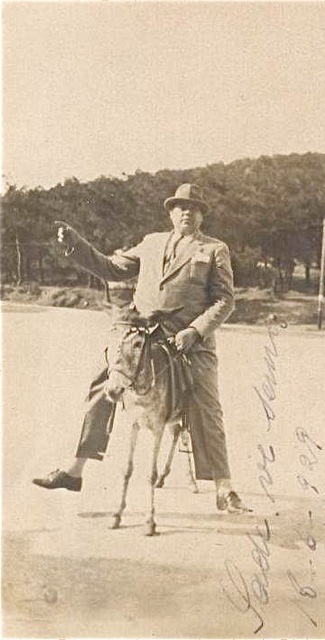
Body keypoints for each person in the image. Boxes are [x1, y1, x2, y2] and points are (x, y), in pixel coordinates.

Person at [33, 183, 248, 513]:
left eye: (194, 208)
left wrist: (194, 331)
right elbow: (111, 268)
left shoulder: (214, 249)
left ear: (202, 215)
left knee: (206, 403)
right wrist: (76, 244)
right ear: (170, 213)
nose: (187, 212)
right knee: (104, 383)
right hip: (142, 334)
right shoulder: (151, 243)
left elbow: (224, 300)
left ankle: (224, 487)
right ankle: (74, 471)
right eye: (180, 206)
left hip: (188, 342)